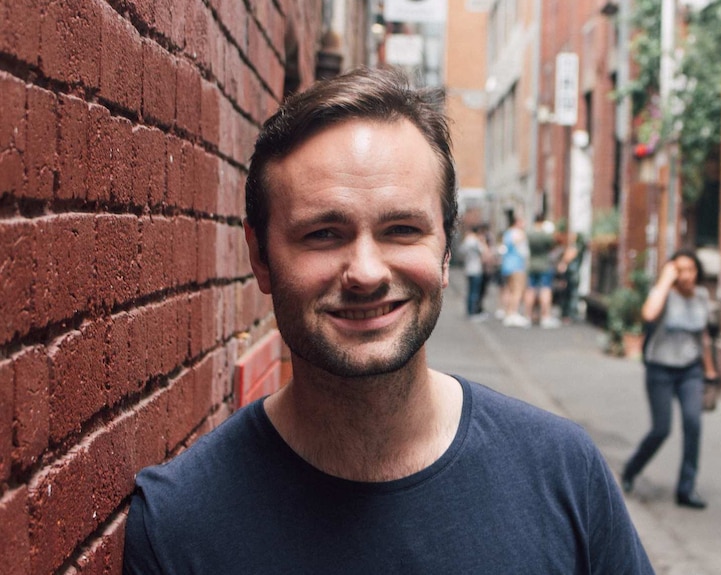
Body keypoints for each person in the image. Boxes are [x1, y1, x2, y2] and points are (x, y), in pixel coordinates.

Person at [123, 67, 653, 574]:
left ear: (446, 250)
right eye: (323, 234)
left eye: (401, 229)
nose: (367, 273)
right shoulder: (181, 521)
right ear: (260, 257)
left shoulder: (561, 472)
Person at [621, 249, 718, 509]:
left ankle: (686, 488)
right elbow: (649, 314)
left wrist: (710, 370)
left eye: (691, 269)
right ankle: (631, 469)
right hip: (660, 369)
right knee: (661, 429)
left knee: (693, 423)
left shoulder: (701, 295)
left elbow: (703, 336)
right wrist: (665, 280)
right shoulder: (664, 294)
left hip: (690, 370)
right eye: (680, 270)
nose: (687, 275)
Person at [522, 216, 561, 328]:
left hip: (532, 264)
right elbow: (552, 246)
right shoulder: (545, 235)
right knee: (545, 290)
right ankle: (545, 317)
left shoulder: (529, 234)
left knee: (530, 290)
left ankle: (527, 316)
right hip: (544, 265)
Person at [498, 215, 531, 327]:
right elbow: (523, 250)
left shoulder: (507, 233)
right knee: (517, 290)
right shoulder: (518, 233)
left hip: (507, 265)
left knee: (509, 289)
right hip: (516, 265)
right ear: (518, 222)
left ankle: (507, 312)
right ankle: (513, 313)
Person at [457, 224, 489, 320]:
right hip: (476, 269)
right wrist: (482, 241)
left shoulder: (467, 241)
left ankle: (469, 311)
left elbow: (461, 252)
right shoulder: (476, 241)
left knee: (470, 291)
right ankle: (473, 313)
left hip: (468, 269)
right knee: (475, 292)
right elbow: (484, 251)